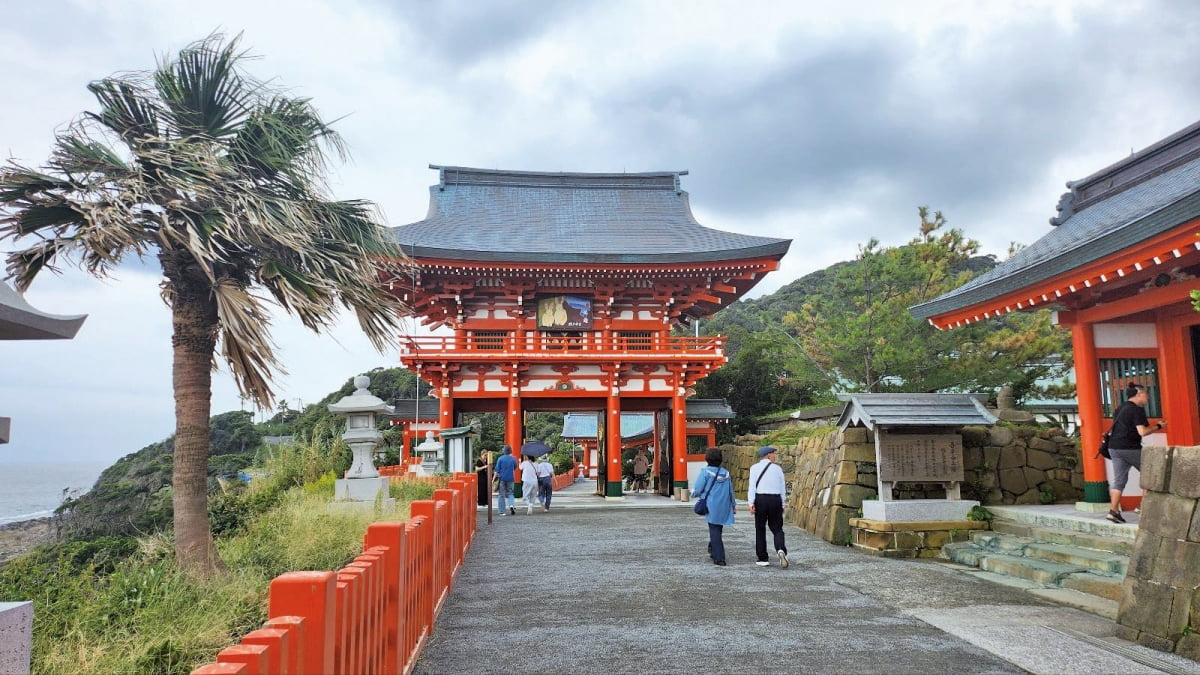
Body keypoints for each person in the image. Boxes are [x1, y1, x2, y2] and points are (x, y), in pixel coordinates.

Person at [1106, 384, 1165, 523]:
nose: (1148, 397)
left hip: (1114, 448)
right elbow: (1142, 432)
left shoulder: (1119, 408)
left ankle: (1113, 511)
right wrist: (1158, 426)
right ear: (1139, 394)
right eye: (1146, 394)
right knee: (1150, 473)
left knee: (1119, 480)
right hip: (1130, 448)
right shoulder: (1137, 410)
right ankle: (1143, 507)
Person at [692, 447, 735, 566]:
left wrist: (693, 493)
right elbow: (731, 490)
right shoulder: (726, 473)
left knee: (714, 529)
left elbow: (698, 488)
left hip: (711, 505)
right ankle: (712, 547)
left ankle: (719, 557)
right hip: (724, 505)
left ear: (707, 459)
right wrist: (733, 504)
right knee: (718, 528)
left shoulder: (705, 472)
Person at [747, 445, 788, 568]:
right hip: (775, 499)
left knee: (760, 528)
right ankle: (780, 549)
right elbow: (782, 488)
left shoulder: (754, 468)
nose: (775, 456)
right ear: (769, 455)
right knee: (777, 528)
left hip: (760, 499)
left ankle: (763, 558)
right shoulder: (778, 469)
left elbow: (752, 487)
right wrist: (782, 503)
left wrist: (751, 503)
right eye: (773, 454)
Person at [494, 445, 517, 515]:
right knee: (510, 493)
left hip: (502, 478)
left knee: (501, 494)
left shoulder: (500, 459)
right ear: (510, 451)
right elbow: (515, 467)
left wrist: (493, 480)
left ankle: (502, 511)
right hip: (511, 478)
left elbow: (497, 470)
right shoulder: (513, 459)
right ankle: (511, 505)